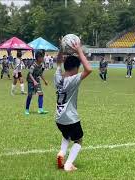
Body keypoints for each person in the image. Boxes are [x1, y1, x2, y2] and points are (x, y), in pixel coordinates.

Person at [55, 40, 92, 172]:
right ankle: (68, 164)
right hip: (71, 118)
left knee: (66, 136)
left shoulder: (58, 77)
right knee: (79, 140)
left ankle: (61, 153)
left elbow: (58, 61)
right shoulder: (73, 80)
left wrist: (61, 49)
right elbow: (89, 69)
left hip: (59, 118)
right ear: (76, 68)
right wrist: (79, 51)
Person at [25, 51, 49, 115]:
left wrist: (44, 80)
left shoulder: (41, 65)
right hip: (31, 81)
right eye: (42, 57)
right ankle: (27, 110)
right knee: (30, 95)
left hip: (37, 80)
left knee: (41, 94)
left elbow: (40, 73)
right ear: (38, 58)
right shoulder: (33, 65)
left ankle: (40, 110)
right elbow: (30, 74)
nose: (43, 59)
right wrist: (34, 81)